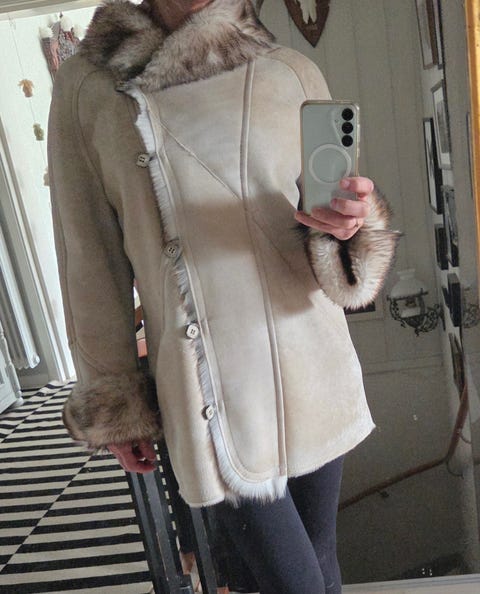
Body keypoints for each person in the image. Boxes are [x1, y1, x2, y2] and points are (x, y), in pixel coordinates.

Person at [48, 0, 400, 592]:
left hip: (309, 359)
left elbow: (332, 226)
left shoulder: (289, 71)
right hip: (207, 384)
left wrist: (351, 227)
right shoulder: (88, 88)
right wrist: (112, 394)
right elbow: (88, 257)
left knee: (321, 563)